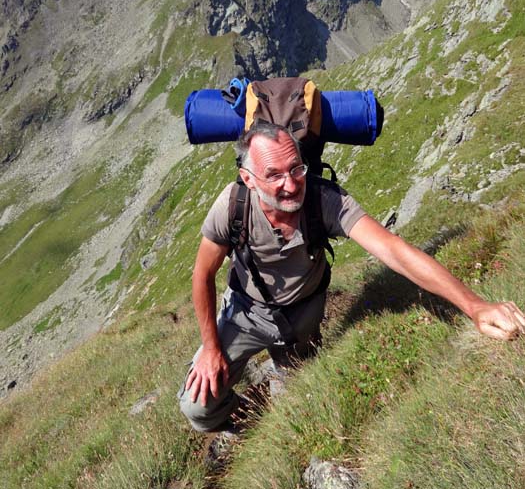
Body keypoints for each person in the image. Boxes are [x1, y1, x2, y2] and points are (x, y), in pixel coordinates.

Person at [179, 123, 525, 432]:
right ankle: (246, 417)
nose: (291, 185)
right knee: (198, 407)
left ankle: (276, 397)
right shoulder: (233, 206)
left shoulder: (324, 201)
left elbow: (394, 250)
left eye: (296, 168)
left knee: (302, 392)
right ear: (248, 179)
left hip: (304, 312)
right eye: (274, 175)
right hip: (246, 311)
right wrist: (211, 348)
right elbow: (202, 274)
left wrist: (475, 306)